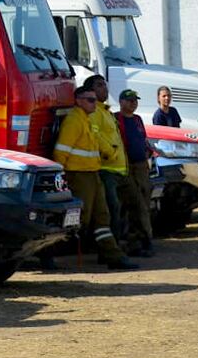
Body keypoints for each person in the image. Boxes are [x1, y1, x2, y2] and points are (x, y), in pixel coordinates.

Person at [53, 86, 137, 269]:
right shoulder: (74, 121)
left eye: (94, 99)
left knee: (102, 217)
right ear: (78, 101)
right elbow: (61, 152)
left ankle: (112, 255)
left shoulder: (87, 119)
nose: (94, 103)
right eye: (90, 100)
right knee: (79, 219)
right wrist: (61, 178)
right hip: (79, 176)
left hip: (93, 174)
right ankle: (47, 253)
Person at [84, 75, 128, 243]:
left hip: (119, 170)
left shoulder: (106, 111)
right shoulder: (94, 112)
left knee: (119, 209)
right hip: (106, 169)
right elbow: (94, 136)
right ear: (91, 90)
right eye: (99, 85)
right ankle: (111, 245)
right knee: (110, 209)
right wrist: (110, 152)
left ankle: (119, 242)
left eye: (105, 85)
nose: (105, 88)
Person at [114, 89, 155, 256]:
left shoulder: (137, 120)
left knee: (144, 202)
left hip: (141, 166)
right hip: (126, 166)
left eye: (135, 100)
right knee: (133, 204)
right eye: (129, 100)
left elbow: (142, 139)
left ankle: (144, 237)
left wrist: (147, 151)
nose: (133, 103)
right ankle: (136, 240)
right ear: (121, 102)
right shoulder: (117, 119)